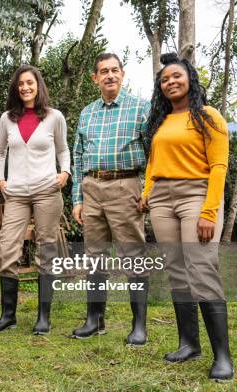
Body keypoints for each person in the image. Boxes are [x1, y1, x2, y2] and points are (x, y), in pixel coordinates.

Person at [138, 53, 233, 381]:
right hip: (163, 200)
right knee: (177, 271)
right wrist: (147, 191)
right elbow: (154, 162)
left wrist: (209, 211)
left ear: (190, 78)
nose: (170, 82)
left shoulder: (209, 116)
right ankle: (189, 344)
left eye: (176, 76)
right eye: (164, 80)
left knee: (201, 268)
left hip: (197, 194)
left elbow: (219, 165)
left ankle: (223, 356)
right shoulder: (161, 122)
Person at [71, 53, 150, 344]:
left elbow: (154, 152)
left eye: (114, 70)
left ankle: (139, 325)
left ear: (123, 74)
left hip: (125, 186)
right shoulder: (87, 113)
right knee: (94, 257)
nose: (110, 76)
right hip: (92, 187)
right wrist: (76, 198)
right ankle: (95, 320)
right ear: (95, 78)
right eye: (103, 71)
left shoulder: (141, 108)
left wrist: (148, 190)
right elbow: (78, 158)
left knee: (133, 256)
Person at [0, 64, 70, 335]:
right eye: (21, 83)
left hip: (47, 190)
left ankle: (43, 317)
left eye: (30, 83)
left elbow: (62, 149)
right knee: (7, 248)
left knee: (46, 249)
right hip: (17, 194)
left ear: (38, 86)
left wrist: (65, 172)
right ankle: (8, 316)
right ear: (16, 87)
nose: (25, 87)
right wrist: (1, 179)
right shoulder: (6, 119)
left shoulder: (54, 117)